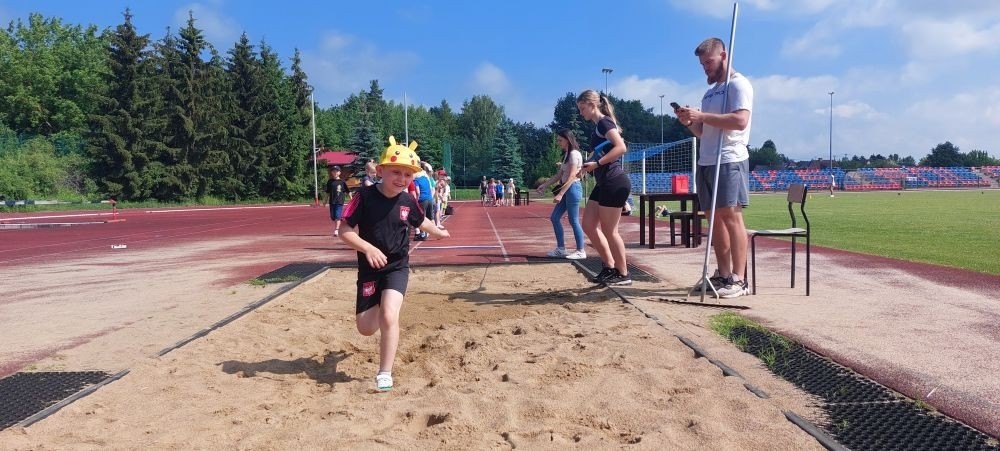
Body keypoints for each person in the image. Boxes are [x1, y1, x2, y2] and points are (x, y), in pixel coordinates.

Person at [339, 136, 449, 392]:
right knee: (366, 328)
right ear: (381, 171)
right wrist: (367, 248)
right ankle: (378, 301)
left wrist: (438, 232)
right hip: (369, 268)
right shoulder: (363, 196)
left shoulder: (408, 201)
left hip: (397, 266)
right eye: (396, 172)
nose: (401, 179)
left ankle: (384, 372)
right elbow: (345, 230)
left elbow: (421, 222)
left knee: (390, 315)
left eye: (407, 175)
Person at [675, 37, 754, 299]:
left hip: (730, 158)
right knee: (714, 221)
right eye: (702, 64)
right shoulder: (709, 93)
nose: (705, 68)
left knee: (731, 218)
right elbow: (703, 131)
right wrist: (689, 121)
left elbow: (740, 121)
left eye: (709, 62)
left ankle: (740, 279)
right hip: (707, 160)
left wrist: (702, 116)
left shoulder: (739, 85)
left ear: (724, 55)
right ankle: (722, 274)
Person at [577, 89, 632, 286]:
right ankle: (609, 266)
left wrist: (597, 165)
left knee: (610, 231)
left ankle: (623, 273)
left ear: (593, 105)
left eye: (582, 108)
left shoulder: (604, 122)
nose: (581, 113)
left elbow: (621, 147)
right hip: (604, 182)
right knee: (589, 225)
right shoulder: (597, 127)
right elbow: (602, 154)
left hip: (613, 181)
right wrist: (587, 167)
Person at [537, 129, 587, 260]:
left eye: (560, 140)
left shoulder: (574, 154)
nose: (558, 142)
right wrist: (545, 184)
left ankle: (581, 250)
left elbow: (571, 176)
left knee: (573, 220)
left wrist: (560, 194)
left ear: (567, 139)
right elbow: (559, 175)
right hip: (567, 189)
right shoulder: (566, 155)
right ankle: (561, 249)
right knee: (554, 217)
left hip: (572, 189)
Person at [322, 165, 350, 237]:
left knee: (337, 216)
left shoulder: (342, 182)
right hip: (332, 201)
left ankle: (336, 230)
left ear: (339, 173)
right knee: (333, 217)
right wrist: (325, 201)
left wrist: (351, 199)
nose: (335, 173)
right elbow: (327, 192)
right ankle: (339, 226)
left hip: (339, 201)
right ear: (331, 172)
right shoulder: (330, 182)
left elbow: (348, 191)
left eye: (337, 171)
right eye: (333, 171)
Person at [413, 162, 434, 240]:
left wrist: (417, 199)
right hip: (429, 199)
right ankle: (436, 232)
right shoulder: (426, 178)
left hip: (422, 199)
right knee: (431, 217)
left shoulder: (416, 180)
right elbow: (431, 188)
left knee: (422, 218)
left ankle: (423, 234)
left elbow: (418, 191)